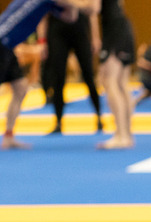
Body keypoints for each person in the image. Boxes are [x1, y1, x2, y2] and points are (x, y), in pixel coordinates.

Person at [0, 0, 96, 149]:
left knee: (20, 88)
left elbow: (71, 17)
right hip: (2, 42)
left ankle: (8, 136)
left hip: (8, 45)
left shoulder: (50, 4)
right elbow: (90, 8)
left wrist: (75, 6)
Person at [41, 6, 102, 134]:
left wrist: (95, 37)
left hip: (80, 30)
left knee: (88, 76)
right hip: (57, 32)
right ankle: (58, 121)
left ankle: (99, 117)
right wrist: (42, 41)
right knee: (58, 78)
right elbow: (43, 15)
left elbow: (92, 13)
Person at [94, 0, 133, 149]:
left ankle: (121, 135)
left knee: (110, 82)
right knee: (122, 83)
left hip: (114, 30)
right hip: (124, 26)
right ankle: (126, 135)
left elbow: (93, 7)